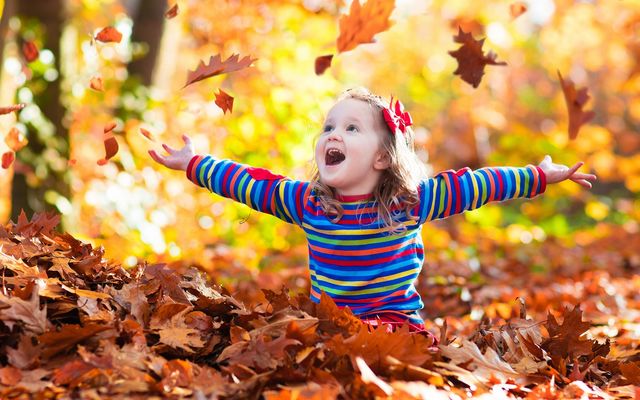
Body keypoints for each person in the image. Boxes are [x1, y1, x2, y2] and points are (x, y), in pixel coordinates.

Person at [149, 87, 596, 341]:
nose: (332, 135)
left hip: (397, 326)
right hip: (328, 324)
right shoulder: (308, 204)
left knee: (404, 358)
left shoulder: (411, 203)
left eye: (350, 128)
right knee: (292, 346)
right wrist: (194, 163)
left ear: (383, 157)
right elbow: (246, 182)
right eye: (327, 127)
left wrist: (538, 175)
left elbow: (480, 184)